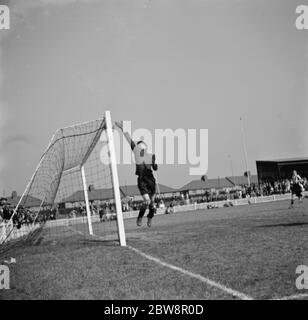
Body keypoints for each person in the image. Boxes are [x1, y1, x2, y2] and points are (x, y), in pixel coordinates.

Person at [115, 121, 158, 227]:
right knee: (147, 201)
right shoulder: (136, 153)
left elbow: (155, 167)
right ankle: (139, 218)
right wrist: (123, 129)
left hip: (151, 180)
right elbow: (129, 141)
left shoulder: (151, 156)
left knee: (152, 204)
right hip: (142, 180)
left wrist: (155, 166)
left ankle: (149, 218)